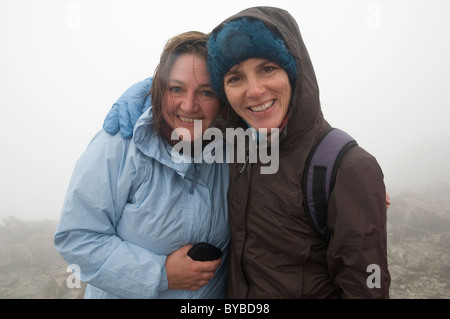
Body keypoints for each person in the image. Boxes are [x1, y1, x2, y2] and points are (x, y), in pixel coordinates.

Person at [104, 6, 391, 298]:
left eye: (267, 69)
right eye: (235, 78)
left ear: (294, 73)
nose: (253, 91)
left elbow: (367, 288)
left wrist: (358, 185)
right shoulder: (236, 139)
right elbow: (189, 103)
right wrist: (146, 92)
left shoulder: (345, 167)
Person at [54, 31, 231, 299]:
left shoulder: (232, 152)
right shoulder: (121, 142)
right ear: (159, 89)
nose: (189, 104)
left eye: (206, 91)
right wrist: (160, 274)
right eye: (176, 88)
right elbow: (77, 237)